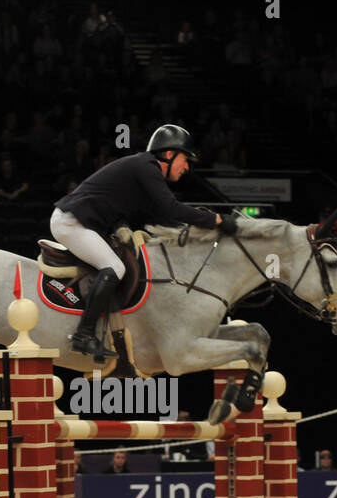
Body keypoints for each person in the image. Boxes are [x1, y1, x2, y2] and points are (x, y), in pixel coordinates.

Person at [50, 124, 232, 359]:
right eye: (185, 160)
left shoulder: (144, 169)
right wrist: (215, 220)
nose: (186, 168)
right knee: (115, 267)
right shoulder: (146, 167)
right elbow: (171, 208)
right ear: (169, 154)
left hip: (84, 221)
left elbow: (160, 214)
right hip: (71, 222)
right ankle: (83, 335)